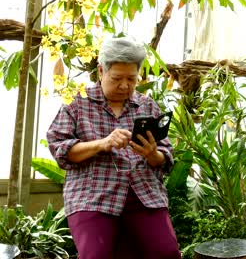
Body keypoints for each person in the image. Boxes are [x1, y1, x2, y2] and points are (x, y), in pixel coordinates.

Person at [47, 37, 181, 259]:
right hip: (92, 196)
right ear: (101, 71)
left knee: (166, 253)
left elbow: (165, 158)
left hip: (144, 194)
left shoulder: (147, 106)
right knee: (96, 255)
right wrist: (103, 143)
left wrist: (152, 154)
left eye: (132, 78)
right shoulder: (76, 103)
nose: (125, 85)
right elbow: (59, 149)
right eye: (117, 78)